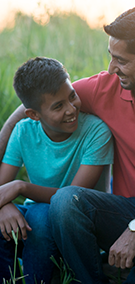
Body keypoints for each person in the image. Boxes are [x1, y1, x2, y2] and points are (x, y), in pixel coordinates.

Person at [0, 6, 135, 283]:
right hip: (122, 209)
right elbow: (36, 105)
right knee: (66, 199)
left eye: (121, 60)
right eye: (111, 57)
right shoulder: (108, 86)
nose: (111, 68)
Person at [0, 57, 114, 284]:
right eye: (58, 106)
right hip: (34, 221)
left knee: (41, 216)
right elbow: (2, 189)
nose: (72, 109)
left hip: (78, 226)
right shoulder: (24, 131)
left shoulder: (96, 131)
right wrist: (4, 206)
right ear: (33, 114)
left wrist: (20, 187)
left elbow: (71, 197)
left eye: (72, 96)